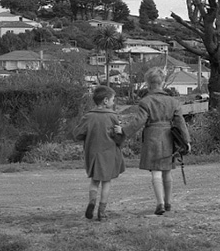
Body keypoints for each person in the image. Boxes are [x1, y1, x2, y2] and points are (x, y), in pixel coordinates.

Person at [126, 67, 190, 216]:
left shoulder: (145, 101)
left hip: (152, 137)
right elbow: (181, 124)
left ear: (148, 84)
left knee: (156, 171)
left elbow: (138, 122)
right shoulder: (173, 102)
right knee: (167, 171)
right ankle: (168, 202)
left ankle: (159, 203)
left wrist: (123, 132)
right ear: (163, 82)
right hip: (169, 137)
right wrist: (187, 141)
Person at [72, 85, 125, 221]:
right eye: (113, 99)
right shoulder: (113, 117)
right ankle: (102, 211)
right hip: (109, 154)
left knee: (94, 181)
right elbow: (118, 138)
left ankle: (92, 201)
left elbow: (77, 134)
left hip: (93, 153)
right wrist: (121, 132)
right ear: (106, 101)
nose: (114, 102)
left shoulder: (88, 116)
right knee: (106, 182)